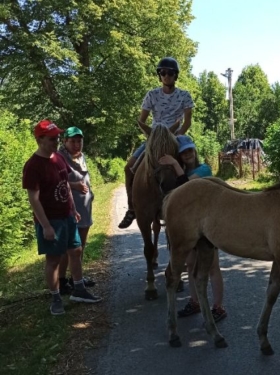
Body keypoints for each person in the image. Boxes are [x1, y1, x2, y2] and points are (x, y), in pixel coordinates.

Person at [22, 120, 102, 316]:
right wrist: (46, 226)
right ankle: (56, 298)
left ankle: (79, 290)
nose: (56, 141)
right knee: (54, 260)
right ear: (39, 139)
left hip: (67, 216)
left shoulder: (57, 158)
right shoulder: (33, 166)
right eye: (52, 139)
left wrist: (73, 209)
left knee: (76, 250)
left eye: (57, 137)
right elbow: (33, 199)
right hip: (51, 221)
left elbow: (66, 183)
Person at [118, 56, 194, 229]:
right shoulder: (151, 95)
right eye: (163, 73)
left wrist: (177, 136)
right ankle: (132, 208)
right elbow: (142, 120)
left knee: (192, 159)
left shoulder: (184, 96)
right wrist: (151, 137)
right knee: (128, 167)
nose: (167, 76)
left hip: (175, 136)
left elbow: (187, 122)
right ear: (159, 75)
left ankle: (195, 200)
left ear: (176, 76)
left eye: (170, 73)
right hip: (154, 137)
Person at [159, 135, 227, 322]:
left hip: (207, 226)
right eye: (183, 152)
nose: (188, 154)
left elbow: (186, 188)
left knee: (212, 266)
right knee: (190, 264)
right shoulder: (178, 171)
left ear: (194, 151)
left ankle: (218, 306)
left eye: (190, 150)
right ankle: (195, 301)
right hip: (188, 227)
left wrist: (174, 164)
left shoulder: (203, 169)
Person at [57, 126, 95, 294]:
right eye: (72, 141)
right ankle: (62, 281)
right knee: (69, 247)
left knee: (81, 245)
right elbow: (56, 181)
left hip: (85, 209)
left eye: (79, 141)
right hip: (70, 210)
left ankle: (76, 278)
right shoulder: (59, 158)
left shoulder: (81, 156)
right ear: (65, 141)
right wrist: (74, 186)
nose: (76, 144)